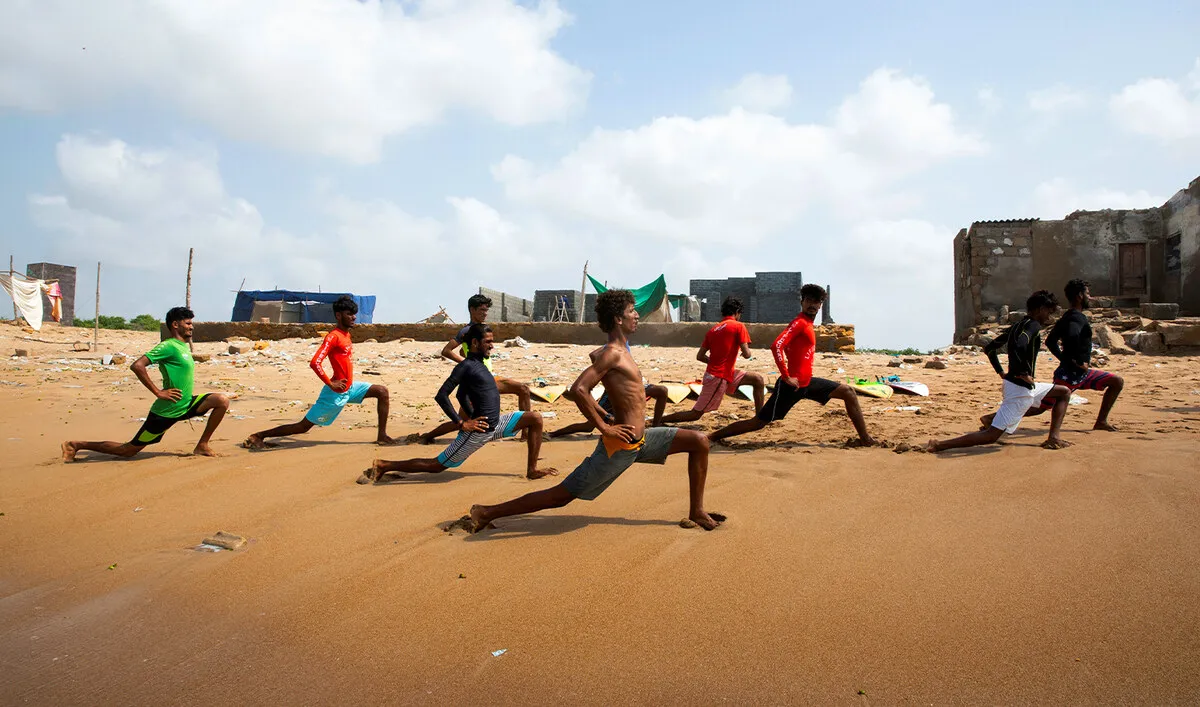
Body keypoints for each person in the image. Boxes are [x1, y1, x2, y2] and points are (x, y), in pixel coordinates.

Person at [467, 290, 724, 533]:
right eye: (632, 311)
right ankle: (487, 512)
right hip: (619, 448)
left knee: (699, 441)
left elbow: (611, 386)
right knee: (561, 496)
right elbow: (579, 389)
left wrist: (606, 415)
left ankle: (697, 511)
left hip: (641, 441)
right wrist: (604, 427)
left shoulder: (617, 351)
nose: (636, 316)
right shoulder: (612, 353)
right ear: (617, 319)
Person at [361, 324, 556, 482]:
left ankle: (532, 470)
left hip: (496, 425)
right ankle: (385, 465)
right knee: (436, 466)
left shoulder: (480, 364)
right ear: (474, 342)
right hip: (477, 433)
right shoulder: (466, 366)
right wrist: (463, 423)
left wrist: (471, 413)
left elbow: (461, 394)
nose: (492, 346)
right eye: (488, 342)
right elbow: (442, 395)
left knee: (535, 418)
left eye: (492, 342)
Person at [707, 284, 875, 446]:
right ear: (802, 302)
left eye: (816, 302)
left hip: (807, 383)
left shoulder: (808, 324)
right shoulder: (800, 323)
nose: (812, 305)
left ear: (820, 305)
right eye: (808, 300)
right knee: (758, 423)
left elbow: (790, 348)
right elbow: (777, 345)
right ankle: (712, 436)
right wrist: (786, 376)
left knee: (848, 392)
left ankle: (865, 439)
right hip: (791, 386)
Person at [62, 307, 230, 461]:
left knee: (221, 400)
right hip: (167, 411)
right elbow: (137, 365)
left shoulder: (184, 347)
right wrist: (158, 392)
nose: (191, 327)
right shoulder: (168, 346)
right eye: (188, 323)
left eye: (192, 323)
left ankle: (202, 445)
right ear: (175, 324)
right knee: (127, 450)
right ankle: (76, 445)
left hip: (186, 404)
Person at [929, 290, 1073, 452]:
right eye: (1049, 311)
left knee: (1063, 392)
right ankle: (939, 445)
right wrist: (1024, 373)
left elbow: (990, 348)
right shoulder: (1032, 325)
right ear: (1040, 309)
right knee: (991, 436)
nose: (1049, 316)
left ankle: (1053, 438)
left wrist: (1001, 372)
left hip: (1018, 384)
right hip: (1019, 389)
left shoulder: (1017, 326)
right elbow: (1020, 345)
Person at [244, 296, 394, 448]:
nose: (353, 317)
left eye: (354, 313)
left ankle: (382, 435)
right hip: (335, 392)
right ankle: (258, 436)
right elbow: (315, 362)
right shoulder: (333, 337)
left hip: (349, 388)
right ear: (338, 315)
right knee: (302, 427)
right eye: (349, 314)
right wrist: (330, 383)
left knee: (382, 391)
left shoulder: (346, 335)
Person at [415, 294, 532, 443]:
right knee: (462, 420)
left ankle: (526, 435)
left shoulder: (481, 329)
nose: (485, 313)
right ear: (472, 310)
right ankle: (427, 436)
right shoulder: (466, 331)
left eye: (486, 310)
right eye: (482, 310)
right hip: (477, 381)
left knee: (523, 389)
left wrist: (469, 358)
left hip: (488, 377)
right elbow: (447, 351)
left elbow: (465, 350)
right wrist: (468, 364)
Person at [659, 296, 765, 425]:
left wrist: (715, 362)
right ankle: (659, 420)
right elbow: (747, 354)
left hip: (723, 373)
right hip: (719, 377)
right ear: (737, 312)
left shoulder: (713, 330)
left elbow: (700, 356)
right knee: (696, 414)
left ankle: (760, 418)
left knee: (757, 379)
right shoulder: (738, 326)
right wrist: (745, 352)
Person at [1036, 279, 1124, 431]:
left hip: (1080, 374)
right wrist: (1075, 361)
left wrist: (1066, 359)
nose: (1090, 297)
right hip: (1069, 375)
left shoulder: (1067, 316)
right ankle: (993, 419)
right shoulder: (1077, 317)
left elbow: (1050, 341)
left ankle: (1101, 422)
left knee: (1116, 381)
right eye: (1087, 294)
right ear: (1079, 295)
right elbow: (1071, 335)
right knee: (1040, 407)